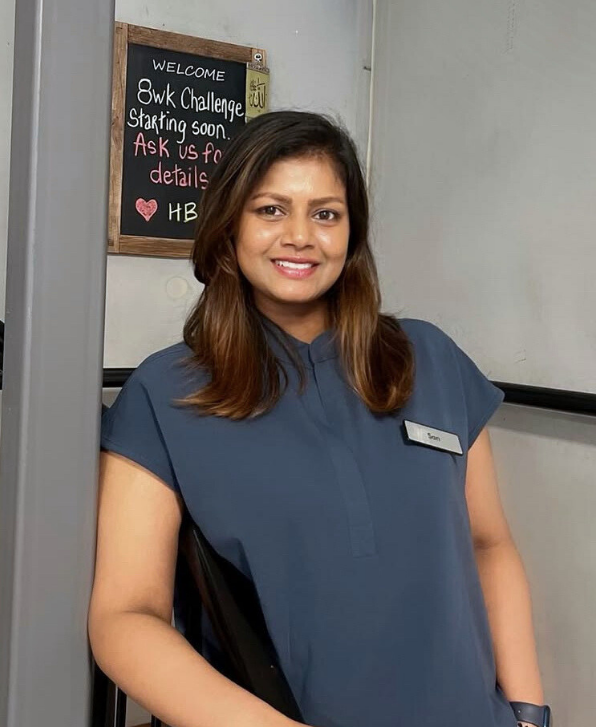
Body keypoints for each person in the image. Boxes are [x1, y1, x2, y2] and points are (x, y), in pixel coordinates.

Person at [89, 111, 549, 727]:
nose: (300, 236)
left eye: (326, 213)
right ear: (229, 228)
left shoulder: (428, 359)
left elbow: (490, 545)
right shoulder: (165, 393)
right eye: (271, 210)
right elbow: (125, 616)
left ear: (351, 233)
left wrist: (528, 711)